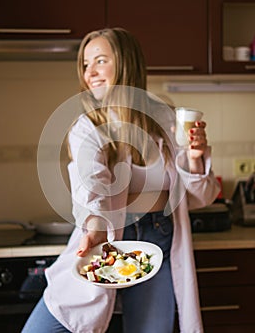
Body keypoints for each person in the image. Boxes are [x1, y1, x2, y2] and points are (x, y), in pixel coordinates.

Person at [22, 27, 220, 333]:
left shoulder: (167, 119)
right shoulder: (87, 126)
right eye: (85, 65)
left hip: (157, 240)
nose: (90, 73)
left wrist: (195, 159)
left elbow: (200, 196)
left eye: (100, 61)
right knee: (43, 328)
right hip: (104, 241)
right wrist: (96, 227)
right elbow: (92, 184)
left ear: (127, 64)